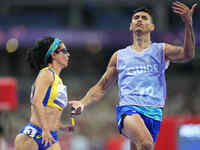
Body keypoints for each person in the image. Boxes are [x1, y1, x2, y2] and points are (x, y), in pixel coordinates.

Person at [69, 2, 197, 150]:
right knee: (146, 143)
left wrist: (188, 24)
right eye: (136, 17)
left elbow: (188, 54)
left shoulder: (161, 50)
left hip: (154, 112)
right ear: (130, 25)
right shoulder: (119, 56)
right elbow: (101, 86)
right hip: (129, 109)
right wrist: (82, 102)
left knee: (139, 146)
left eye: (144, 18)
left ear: (151, 27)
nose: (139, 20)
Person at [15, 37, 74, 150]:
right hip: (34, 135)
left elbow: (51, 109)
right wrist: (46, 129)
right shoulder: (46, 74)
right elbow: (36, 102)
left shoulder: (58, 80)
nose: (68, 54)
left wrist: (61, 126)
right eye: (64, 51)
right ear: (53, 55)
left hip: (51, 136)